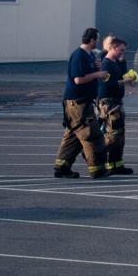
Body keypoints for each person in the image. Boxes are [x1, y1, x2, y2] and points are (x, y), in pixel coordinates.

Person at [53, 27, 109, 179]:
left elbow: (89, 74)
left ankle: (61, 166)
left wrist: (97, 69)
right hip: (78, 104)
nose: (97, 42)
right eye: (96, 39)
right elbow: (78, 79)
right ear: (91, 40)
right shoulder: (79, 56)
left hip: (83, 103)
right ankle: (97, 169)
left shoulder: (89, 55)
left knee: (73, 136)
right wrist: (97, 74)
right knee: (90, 135)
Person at [97, 36, 138, 175]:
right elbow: (109, 83)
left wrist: (128, 76)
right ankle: (103, 159)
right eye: (121, 50)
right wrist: (126, 81)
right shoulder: (106, 64)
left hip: (116, 101)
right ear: (113, 48)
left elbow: (123, 76)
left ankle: (117, 164)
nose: (123, 52)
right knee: (113, 134)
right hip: (109, 102)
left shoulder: (116, 62)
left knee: (120, 135)